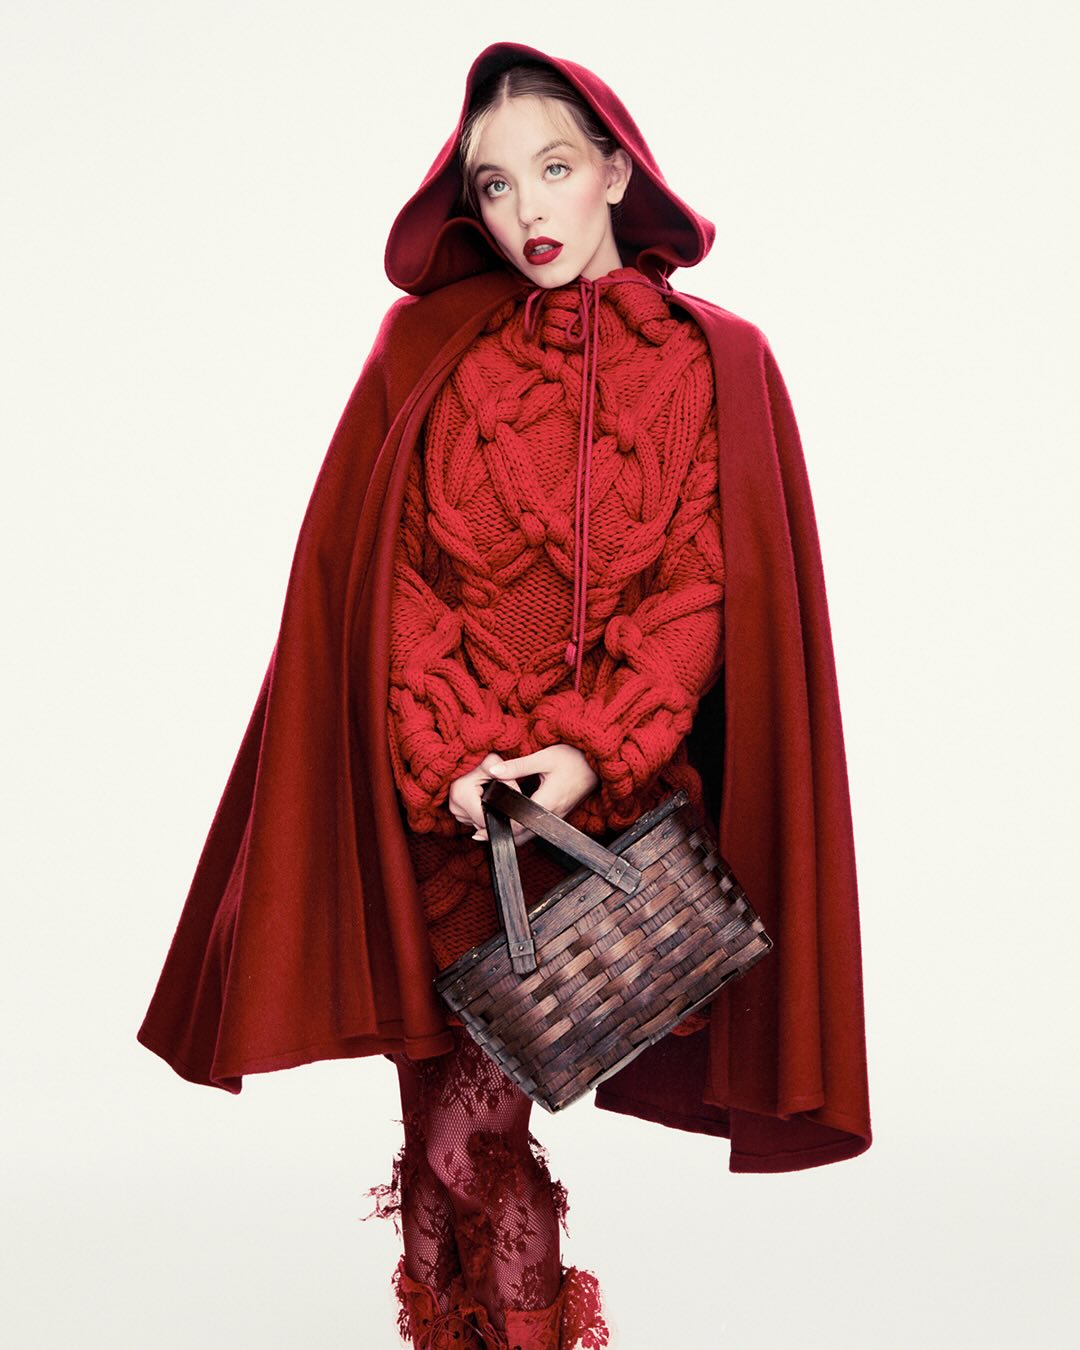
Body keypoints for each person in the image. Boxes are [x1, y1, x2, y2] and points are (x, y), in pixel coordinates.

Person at [137, 40, 872, 1350]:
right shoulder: (433, 351)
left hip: (592, 825)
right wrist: (454, 762)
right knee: (435, 1152)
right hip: (442, 818)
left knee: (468, 1142)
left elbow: (702, 588)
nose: (529, 208)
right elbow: (393, 585)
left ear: (616, 173)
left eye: (554, 168)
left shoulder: (713, 363)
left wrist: (586, 754)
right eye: (495, 183)